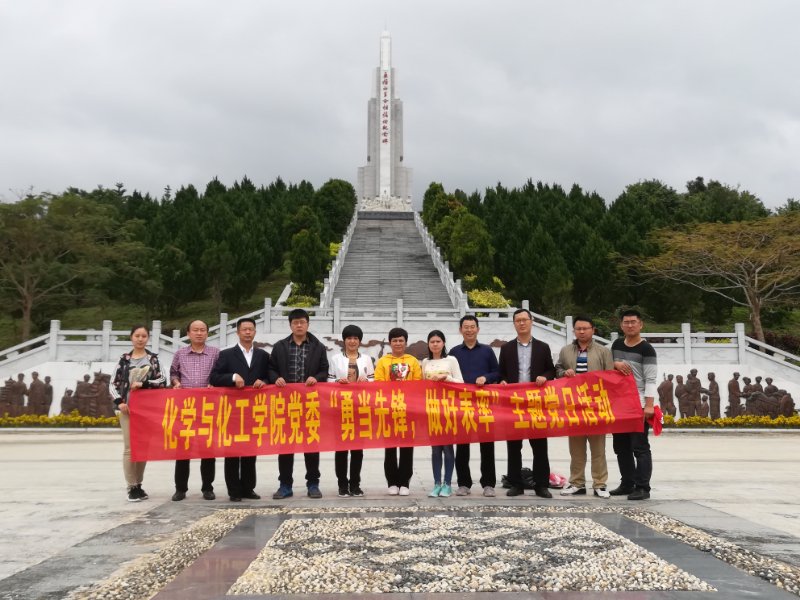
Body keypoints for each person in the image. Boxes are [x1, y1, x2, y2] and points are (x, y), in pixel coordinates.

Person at [268, 308, 329, 500]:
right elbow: (271, 368)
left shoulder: (318, 347)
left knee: (311, 445)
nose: (299, 325)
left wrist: (315, 377)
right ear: (290, 325)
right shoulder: (280, 346)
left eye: (302, 322)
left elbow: (324, 370)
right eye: (295, 323)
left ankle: (313, 484)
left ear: (308, 324)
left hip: (310, 404)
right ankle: (285, 485)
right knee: (285, 447)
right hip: (286, 405)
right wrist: (276, 378)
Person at [209, 317, 270, 502]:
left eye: (251, 329)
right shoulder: (226, 355)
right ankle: (234, 491)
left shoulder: (263, 355)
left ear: (255, 332)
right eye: (244, 329)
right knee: (233, 452)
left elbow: (270, 375)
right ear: (238, 332)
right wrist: (233, 376)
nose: (248, 332)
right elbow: (214, 377)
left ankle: (248, 488)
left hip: (254, 411)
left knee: (251, 452)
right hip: (233, 412)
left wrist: (265, 381)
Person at [498, 308, 555, 498]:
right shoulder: (506, 349)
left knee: (539, 446)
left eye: (525, 320)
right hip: (513, 403)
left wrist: (544, 377)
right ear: (514, 324)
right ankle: (516, 484)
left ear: (531, 322)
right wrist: (503, 381)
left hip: (536, 403)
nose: (521, 323)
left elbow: (551, 371)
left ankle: (541, 485)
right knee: (514, 446)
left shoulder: (542, 347)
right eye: (518, 320)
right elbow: (502, 373)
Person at [556, 315, 614, 499]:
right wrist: (565, 372)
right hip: (574, 407)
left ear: (593, 330)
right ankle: (577, 483)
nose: (582, 331)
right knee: (576, 449)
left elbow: (611, 377)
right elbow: (557, 370)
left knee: (598, 450)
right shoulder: (566, 351)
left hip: (596, 407)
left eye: (585, 328)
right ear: (574, 330)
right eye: (578, 328)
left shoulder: (603, 351)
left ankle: (600, 484)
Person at [109, 325, 166, 502]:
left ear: (148, 338)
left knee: (143, 448)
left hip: (147, 410)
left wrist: (144, 384)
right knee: (129, 447)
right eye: (137, 335)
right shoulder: (123, 360)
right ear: (131, 338)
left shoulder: (154, 359)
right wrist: (120, 402)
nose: (140, 339)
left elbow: (163, 380)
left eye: (143, 336)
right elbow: (112, 383)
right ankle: (131, 486)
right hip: (127, 409)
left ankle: (139, 484)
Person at [449, 315, 500, 497]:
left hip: (483, 404)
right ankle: (464, 483)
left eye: (472, 327)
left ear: (478, 329)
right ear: (460, 330)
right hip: (461, 405)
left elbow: (497, 372)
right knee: (462, 445)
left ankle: (488, 483)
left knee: (487, 444)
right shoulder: (454, 352)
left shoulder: (487, 351)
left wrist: (486, 378)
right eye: (466, 327)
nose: (469, 330)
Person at [169, 319, 220, 501]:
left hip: (208, 408)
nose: (199, 333)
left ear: (207, 333)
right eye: (195, 330)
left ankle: (207, 487)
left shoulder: (215, 353)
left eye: (203, 330)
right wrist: (176, 383)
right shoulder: (180, 354)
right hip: (186, 408)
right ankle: (180, 489)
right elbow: (173, 373)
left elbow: (220, 374)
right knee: (183, 450)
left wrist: (214, 384)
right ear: (188, 333)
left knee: (208, 450)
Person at [610, 309, 658, 501]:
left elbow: (651, 379)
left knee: (640, 447)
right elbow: (607, 363)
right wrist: (615, 363)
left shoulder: (646, 349)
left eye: (633, 322)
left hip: (637, 404)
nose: (630, 325)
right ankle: (627, 483)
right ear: (621, 325)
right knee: (621, 447)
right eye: (626, 322)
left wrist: (649, 406)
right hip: (618, 404)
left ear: (640, 324)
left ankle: (643, 487)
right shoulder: (617, 344)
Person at [374, 327, 422, 496]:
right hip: (389, 409)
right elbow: (378, 382)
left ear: (406, 342)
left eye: (401, 340)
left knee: (407, 447)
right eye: (394, 340)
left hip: (408, 409)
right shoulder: (383, 362)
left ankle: (405, 482)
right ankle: (392, 482)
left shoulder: (413, 361)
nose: (398, 343)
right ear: (389, 342)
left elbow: (418, 383)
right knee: (390, 447)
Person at [327, 324, 374, 497]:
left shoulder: (367, 359)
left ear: (360, 341)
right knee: (341, 448)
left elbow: (373, 380)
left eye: (355, 338)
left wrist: (366, 381)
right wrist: (338, 382)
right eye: (349, 338)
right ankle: (342, 484)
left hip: (359, 407)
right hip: (341, 408)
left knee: (357, 449)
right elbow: (328, 380)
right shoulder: (336, 359)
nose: (352, 341)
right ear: (344, 340)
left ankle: (355, 484)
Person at [422, 330, 464, 498]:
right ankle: (436, 483)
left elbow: (461, 382)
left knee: (447, 448)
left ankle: (447, 483)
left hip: (448, 408)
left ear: (444, 343)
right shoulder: (425, 362)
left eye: (438, 341)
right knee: (435, 449)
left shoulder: (451, 360)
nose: (435, 344)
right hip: (432, 408)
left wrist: (447, 379)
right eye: (432, 341)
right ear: (428, 344)